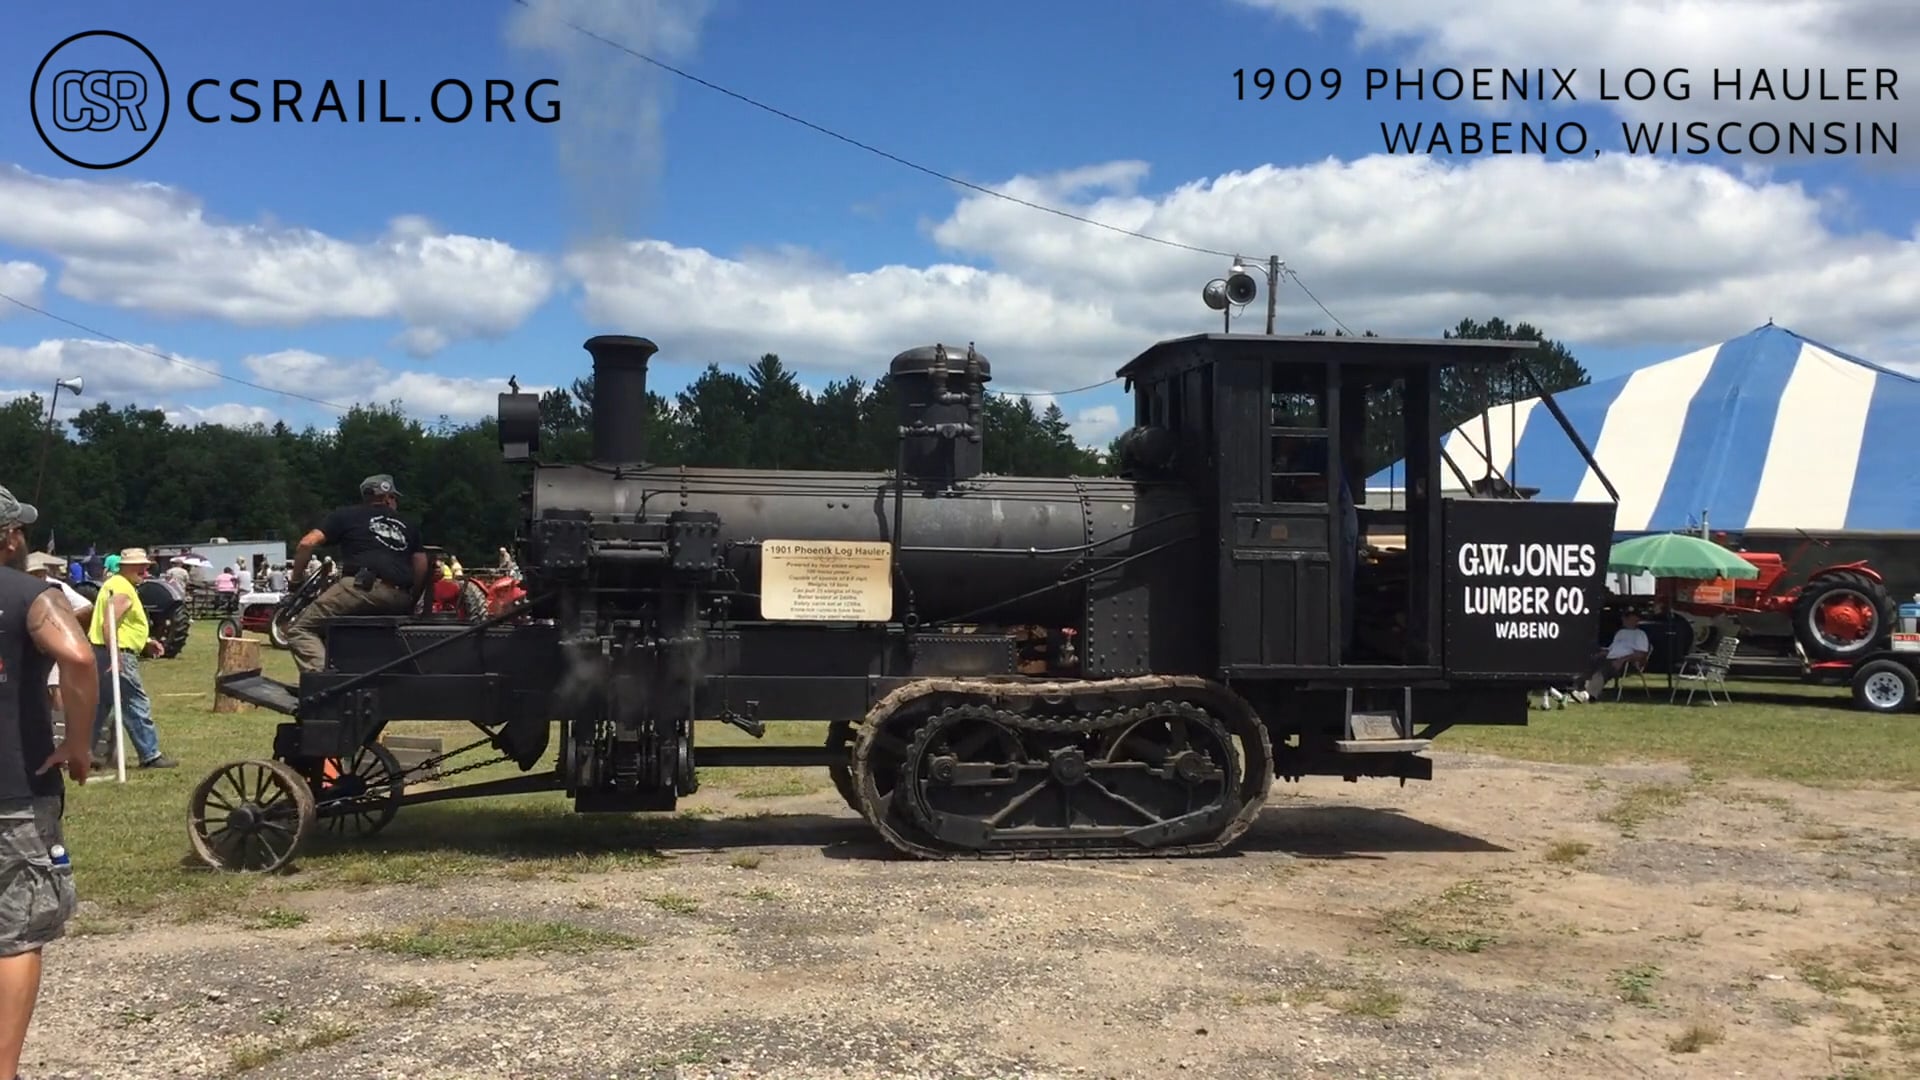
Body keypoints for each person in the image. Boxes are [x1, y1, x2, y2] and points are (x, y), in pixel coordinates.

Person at [0, 486, 98, 1080]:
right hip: (14, 788)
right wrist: (78, 743)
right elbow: (79, 658)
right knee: (14, 934)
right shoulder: (30, 595)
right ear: (10, 536)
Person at [285, 474, 428, 673]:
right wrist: (411, 600)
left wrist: (296, 581)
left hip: (361, 588)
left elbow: (306, 543)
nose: (396, 503)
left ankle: (324, 681)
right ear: (387, 498)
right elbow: (421, 565)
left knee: (301, 629)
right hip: (400, 596)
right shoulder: (409, 524)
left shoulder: (346, 515)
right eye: (395, 498)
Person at [87, 548, 175, 770]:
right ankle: (150, 754)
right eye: (140, 567)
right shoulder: (123, 589)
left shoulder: (114, 584)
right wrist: (115, 655)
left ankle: (83, 752)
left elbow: (121, 624)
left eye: (146, 567)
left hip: (102, 652)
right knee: (135, 702)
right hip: (117, 653)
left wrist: (145, 641)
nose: (145, 571)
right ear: (126, 567)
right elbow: (109, 623)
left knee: (101, 705)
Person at [1581, 609, 1651, 700]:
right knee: (1590, 663)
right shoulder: (1620, 633)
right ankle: (1578, 691)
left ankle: (1591, 695)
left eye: (1629, 618)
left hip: (1628, 663)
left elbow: (1641, 654)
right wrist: (1600, 654)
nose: (1625, 620)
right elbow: (1611, 649)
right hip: (1610, 658)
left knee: (1603, 670)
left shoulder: (1640, 634)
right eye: (1625, 618)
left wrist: (1622, 660)